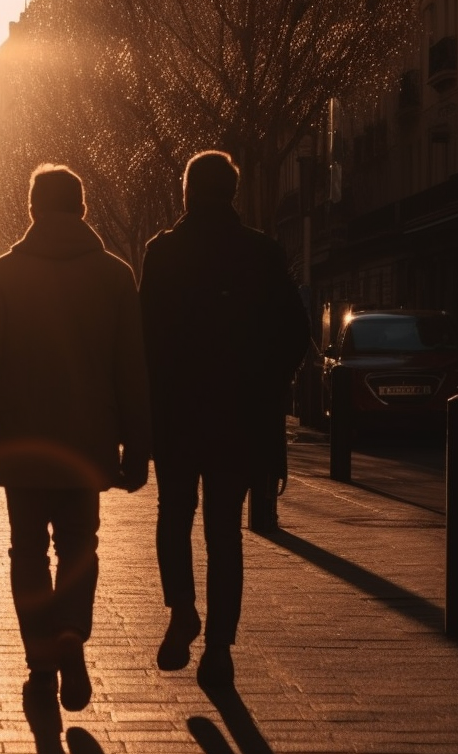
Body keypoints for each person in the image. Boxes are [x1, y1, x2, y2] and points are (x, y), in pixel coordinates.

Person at [0, 164, 152, 712]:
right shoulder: (115, 276)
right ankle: (72, 629)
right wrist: (137, 448)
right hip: (87, 443)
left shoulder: (3, 273)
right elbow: (131, 370)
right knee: (79, 544)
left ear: (32, 208)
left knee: (28, 551)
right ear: (82, 208)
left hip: (21, 442)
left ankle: (41, 658)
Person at [139, 151, 311, 687]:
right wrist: (266, 389)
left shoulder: (162, 253)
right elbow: (294, 337)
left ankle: (182, 609)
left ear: (188, 192)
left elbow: (142, 339)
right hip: (240, 419)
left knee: (174, 515)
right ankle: (218, 648)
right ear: (233, 193)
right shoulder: (263, 253)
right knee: (224, 533)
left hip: (177, 416)